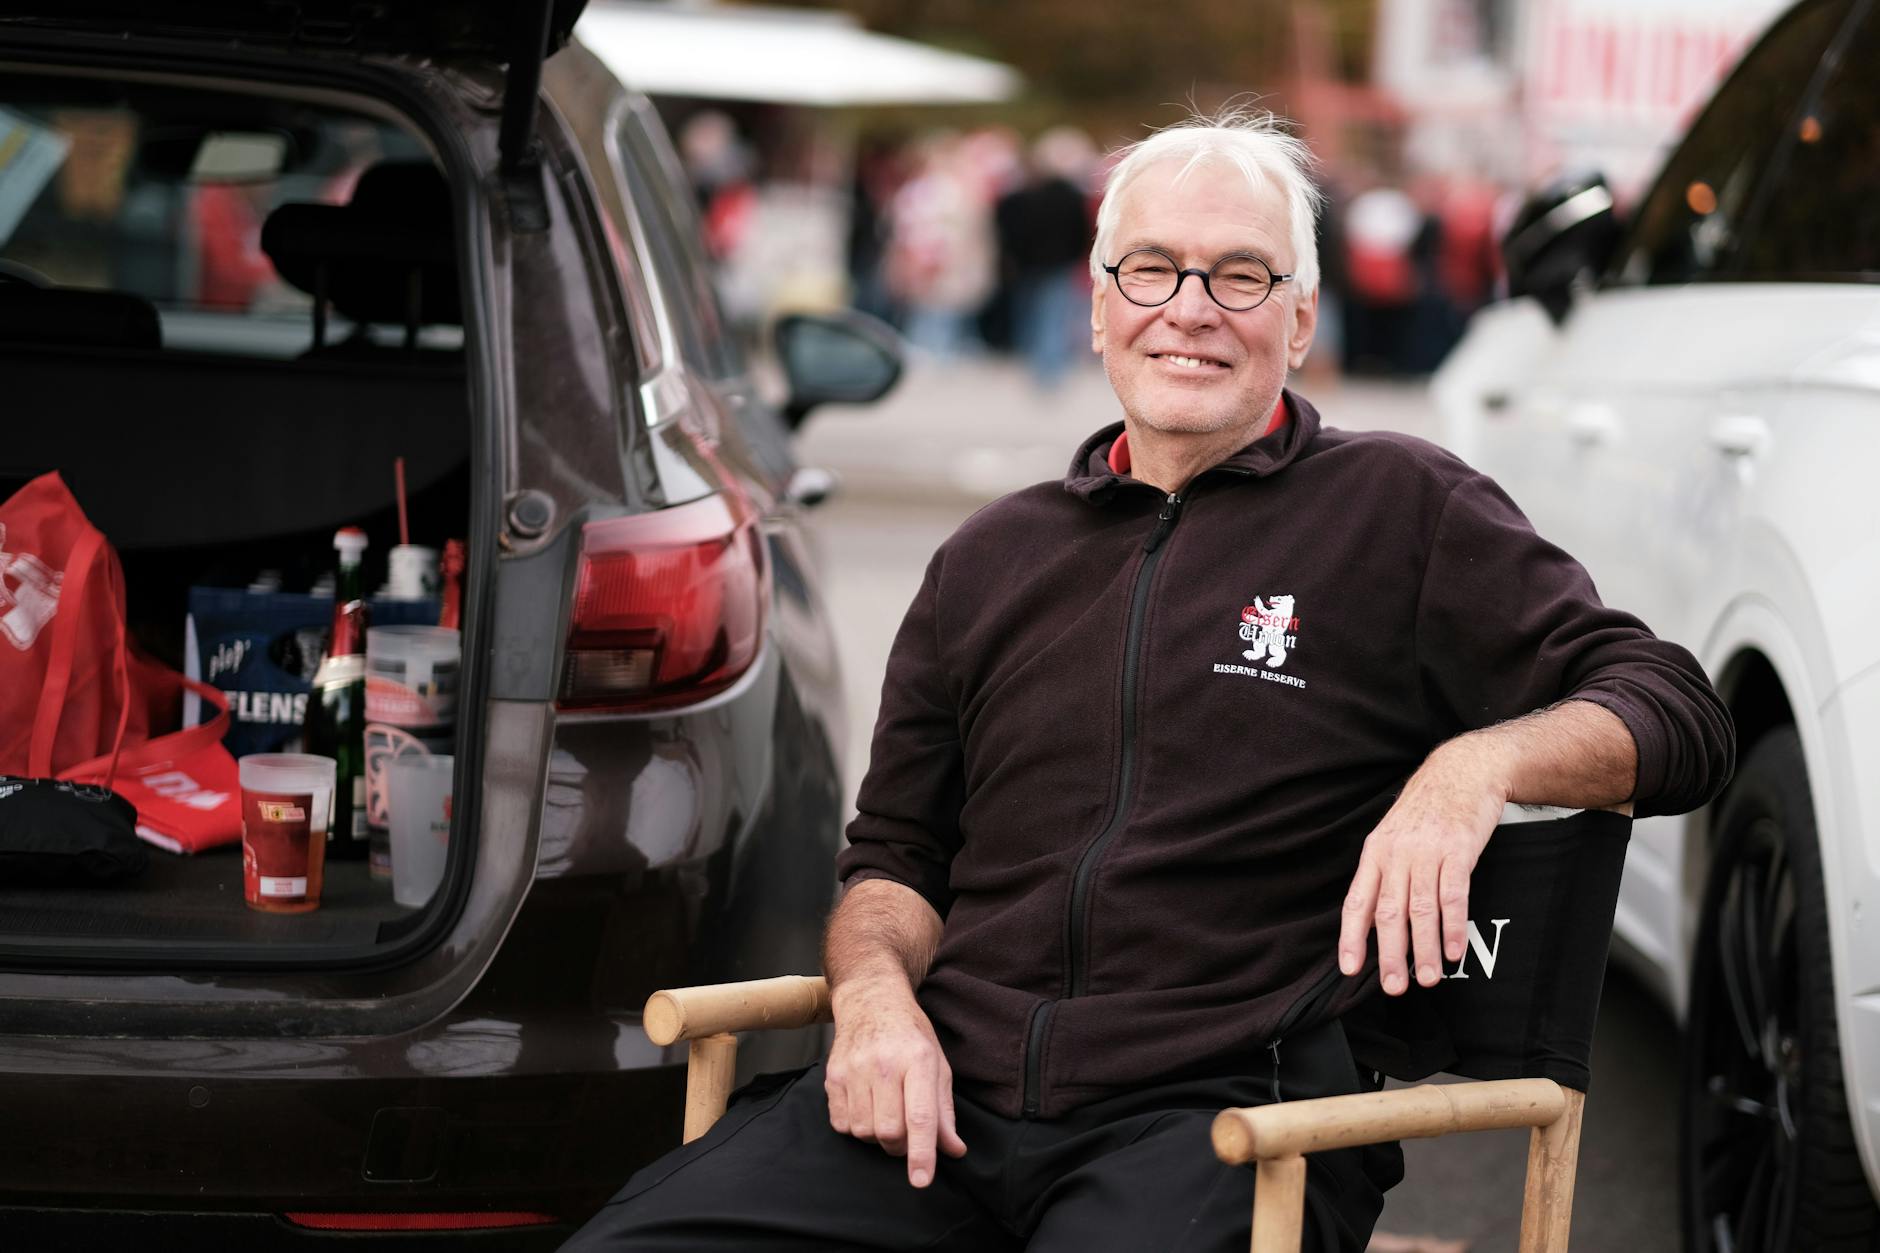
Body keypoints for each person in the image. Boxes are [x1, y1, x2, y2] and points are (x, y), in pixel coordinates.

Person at [561, 110, 1734, 1253]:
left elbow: (1676, 707)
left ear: (1300, 314)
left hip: (1223, 1123)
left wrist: (1475, 763)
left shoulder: (1403, 512)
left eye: (1238, 275)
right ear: (1096, 302)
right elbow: (894, 861)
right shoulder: (987, 557)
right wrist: (871, 1002)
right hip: (932, 1109)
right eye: (1152, 269)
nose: (1188, 309)